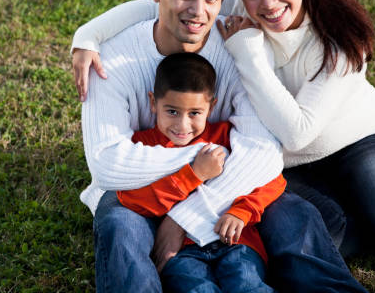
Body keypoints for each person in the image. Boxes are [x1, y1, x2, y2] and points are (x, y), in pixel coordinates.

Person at [71, 0, 375, 263]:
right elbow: (160, 4)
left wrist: (247, 51)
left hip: (357, 143)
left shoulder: (337, 41)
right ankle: (371, 216)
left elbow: (297, 132)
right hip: (288, 162)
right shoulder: (238, 5)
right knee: (327, 237)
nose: (268, 3)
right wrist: (86, 37)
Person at [120, 51, 286, 292]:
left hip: (237, 241)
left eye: (195, 113)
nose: (182, 125)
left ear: (212, 106)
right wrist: (193, 175)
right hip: (181, 251)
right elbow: (132, 200)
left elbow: (271, 177)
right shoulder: (142, 146)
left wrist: (242, 211)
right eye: (172, 111)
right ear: (153, 103)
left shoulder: (228, 137)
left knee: (248, 286)